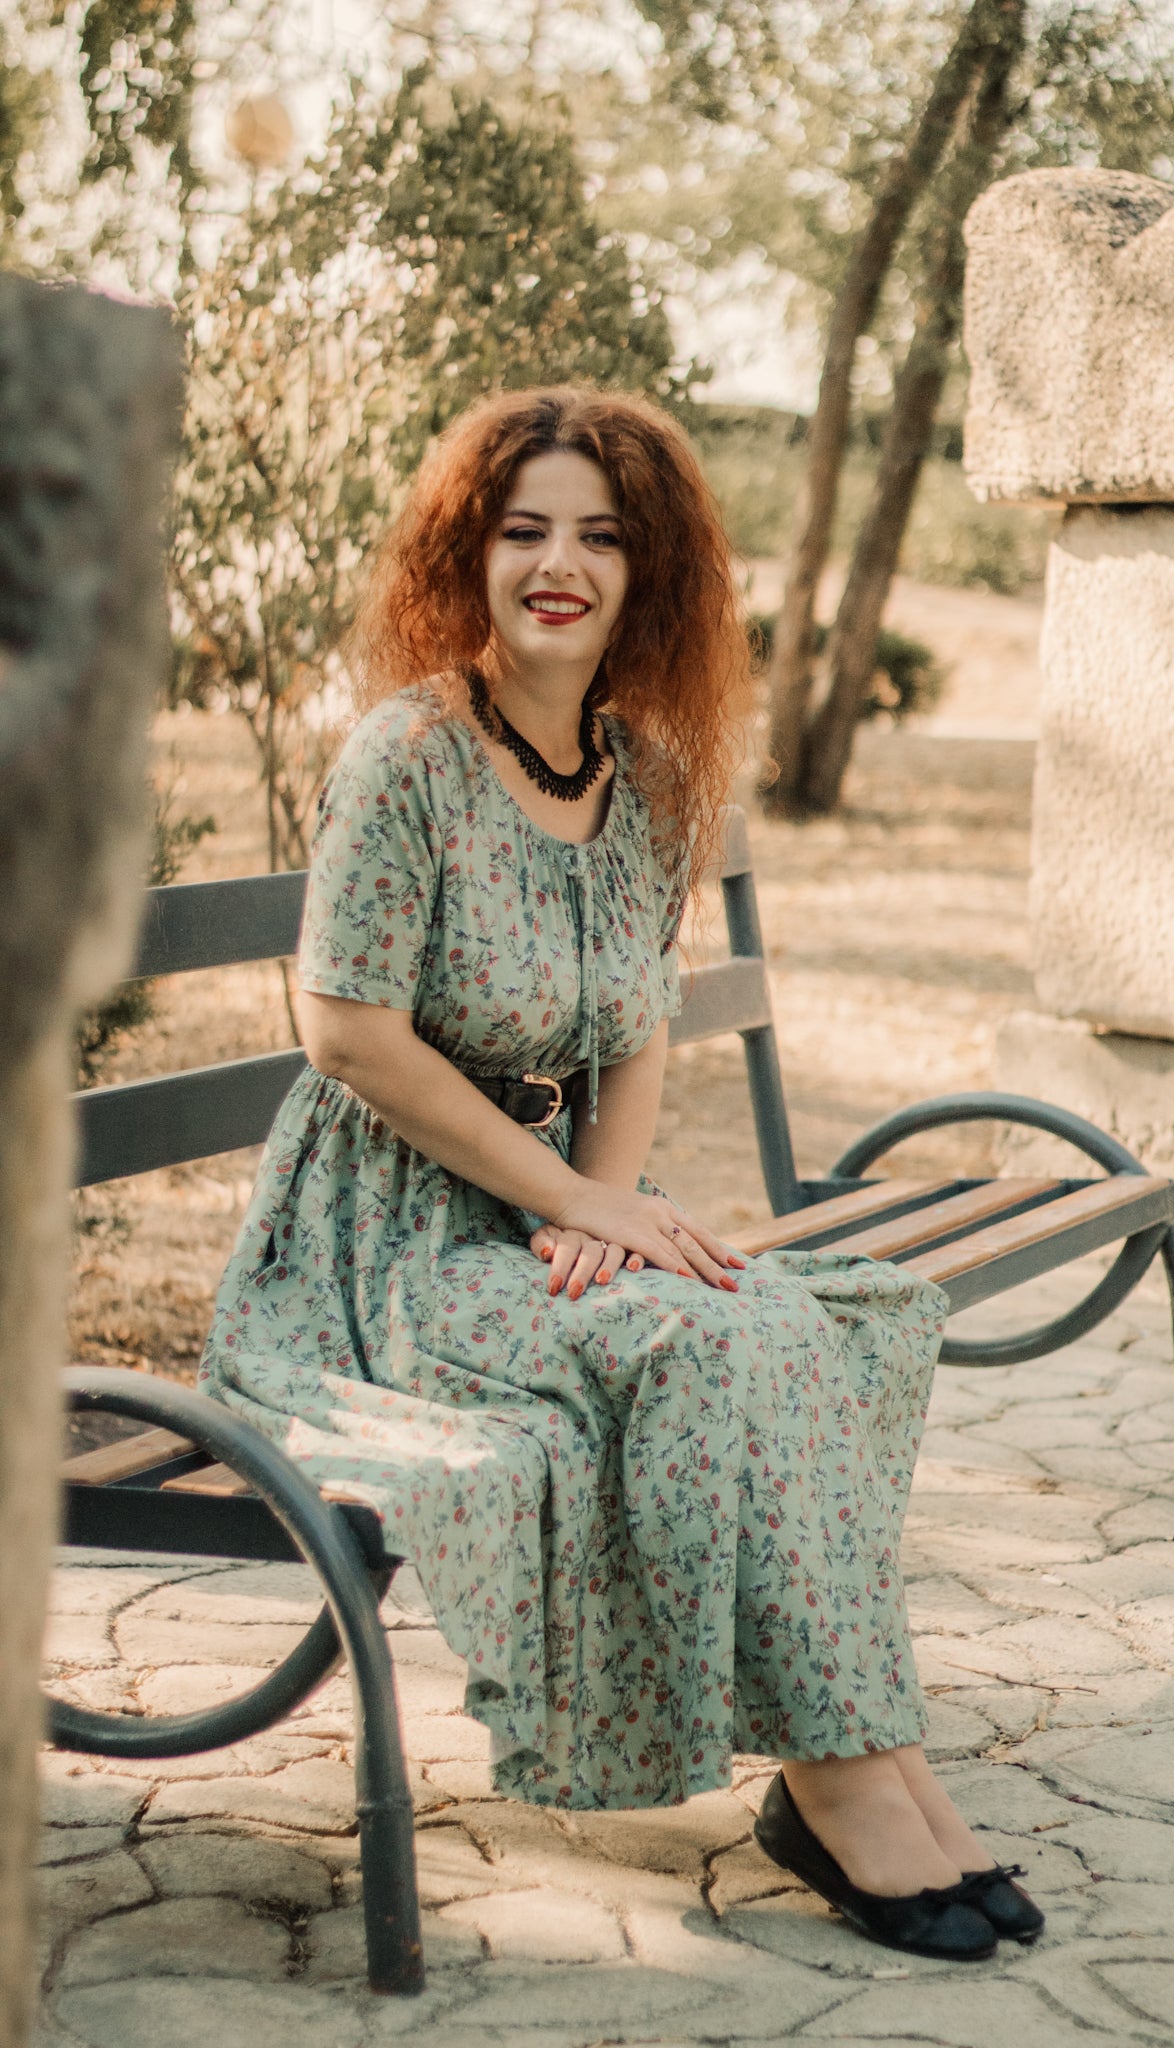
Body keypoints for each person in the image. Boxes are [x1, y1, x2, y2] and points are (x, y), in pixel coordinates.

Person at [200, 386, 1042, 1961]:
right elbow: (344, 1030)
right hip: (379, 1254)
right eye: (523, 531)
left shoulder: (647, 777)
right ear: (472, 552)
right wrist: (576, 1204)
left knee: (800, 1320)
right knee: (697, 1332)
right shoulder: (407, 758)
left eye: (598, 535)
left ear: (648, 571)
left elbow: (637, 1031)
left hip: (534, 1226)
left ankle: (868, 1764)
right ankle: (849, 1787)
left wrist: (603, 1207)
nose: (558, 566)